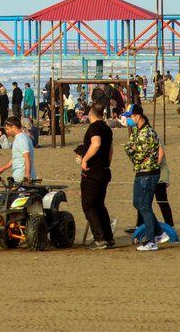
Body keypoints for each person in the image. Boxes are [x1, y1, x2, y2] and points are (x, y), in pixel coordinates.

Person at [123, 104, 168, 252]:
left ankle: (152, 240)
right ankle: (158, 232)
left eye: (130, 116)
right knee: (138, 203)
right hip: (140, 172)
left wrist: (135, 151)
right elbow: (128, 148)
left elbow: (139, 156)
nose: (128, 119)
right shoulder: (136, 131)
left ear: (138, 116)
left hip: (149, 173)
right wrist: (134, 151)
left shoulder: (147, 133)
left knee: (145, 206)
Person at [78, 103, 113, 249]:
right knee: (99, 204)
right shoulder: (107, 128)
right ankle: (108, 237)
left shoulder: (95, 128)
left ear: (90, 114)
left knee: (89, 204)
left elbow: (96, 143)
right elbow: (111, 150)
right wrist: (107, 163)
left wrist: (85, 159)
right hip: (104, 169)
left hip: (94, 171)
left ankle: (99, 238)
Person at [0, 117, 35, 182]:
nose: (7, 132)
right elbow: (15, 158)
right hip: (18, 176)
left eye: (8, 129)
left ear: (13, 127)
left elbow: (27, 157)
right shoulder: (20, 138)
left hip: (22, 177)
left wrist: (27, 175)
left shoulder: (21, 138)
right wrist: (2, 169)